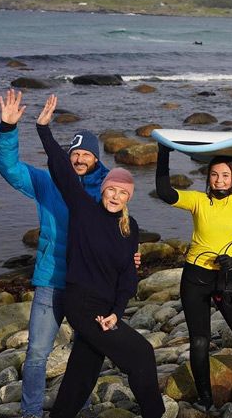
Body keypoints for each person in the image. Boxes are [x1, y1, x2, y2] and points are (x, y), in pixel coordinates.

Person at [34, 95, 164, 418]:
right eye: (111, 190)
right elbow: (62, 170)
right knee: (142, 354)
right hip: (82, 305)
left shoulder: (129, 227)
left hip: (106, 309)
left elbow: (128, 277)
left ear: (128, 197)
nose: (115, 196)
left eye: (123, 192)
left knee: (83, 371)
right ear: (102, 189)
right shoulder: (83, 209)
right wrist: (43, 129)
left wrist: (117, 312)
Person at [0, 89, 110, 418]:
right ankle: (30, 413)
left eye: (85, 154)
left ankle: (80, 408)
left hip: (88, 287)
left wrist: (131, 256)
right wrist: (7, 129)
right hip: (50, 282)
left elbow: (121, 231)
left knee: (84, 354)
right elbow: (10, 168)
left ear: (96, 158)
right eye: (74, 153)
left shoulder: (108, 190)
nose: (78, 159)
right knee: (36, 356)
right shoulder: (49, 183)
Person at [156, 143, 232, 410]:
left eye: (225, 175)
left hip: (227, 279)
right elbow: (165, 192)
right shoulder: (199, 201)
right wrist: (164, 151)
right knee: (199, 340)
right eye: (214, 175)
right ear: (208, 177)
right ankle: (205, 399)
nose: (219, 180)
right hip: (195, 278)